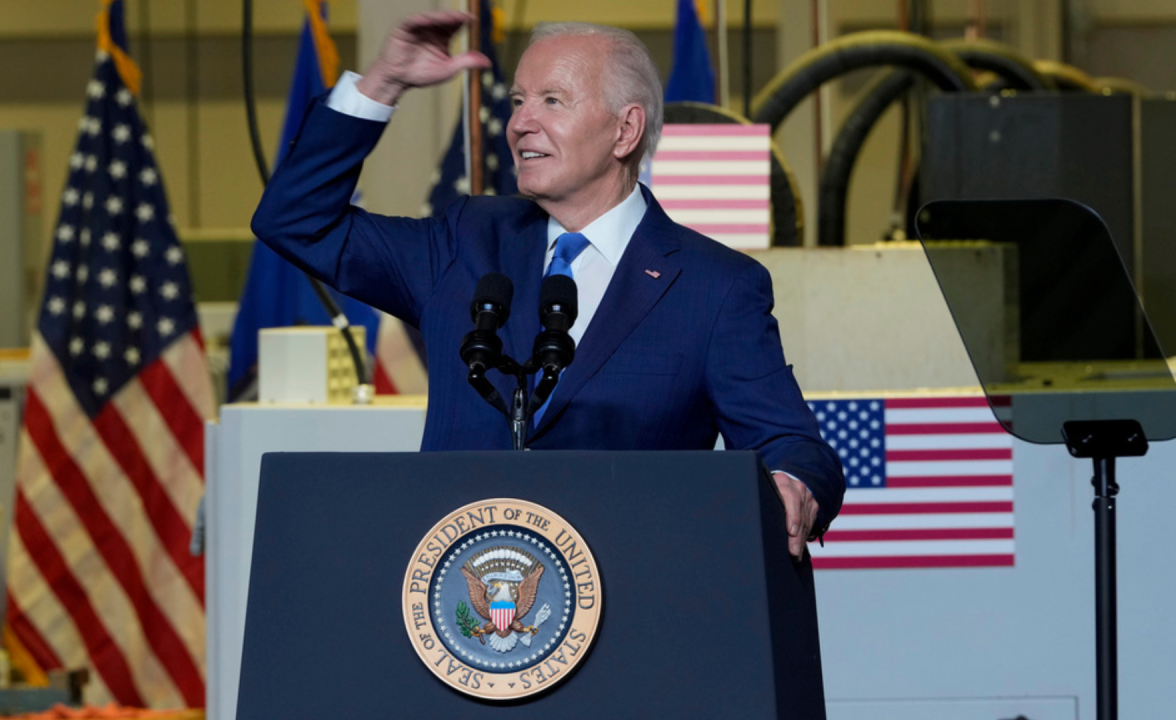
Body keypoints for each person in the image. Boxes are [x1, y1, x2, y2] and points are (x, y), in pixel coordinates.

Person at [251, 12, 844, 558]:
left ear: (625, 130)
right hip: (458, 614)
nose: (520, 124)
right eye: (517, 101)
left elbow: (793, 446)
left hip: (632, 611)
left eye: (552, 100)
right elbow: (297, 221)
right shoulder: (465, 241)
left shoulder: (714, 287)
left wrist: (790, 484)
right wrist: (383, 83)